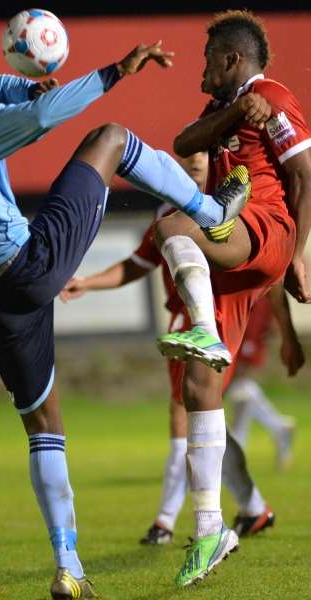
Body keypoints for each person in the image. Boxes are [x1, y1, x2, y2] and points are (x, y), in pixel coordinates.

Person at [0, 24, 250, 600]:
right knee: (112, 137)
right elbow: (42, 121)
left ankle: (69, 566)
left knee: (43, 428)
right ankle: (210, 207)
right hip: (28, 265)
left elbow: (3, 93)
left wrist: (26, 85)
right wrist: (115, 71)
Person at [60, 151, 304, 545]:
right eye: (185, 154)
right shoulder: (168, 213)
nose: (193, 160)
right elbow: (139, 263)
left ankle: (165, 522)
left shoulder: (231, 209)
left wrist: (287, 335)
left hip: (213, 326)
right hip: (186, 326)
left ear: (217, 161)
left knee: (184, 420)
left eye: (202, 154)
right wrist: (87, 282)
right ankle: (254, 507)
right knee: (207, 424)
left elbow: (271, 274)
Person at [150, 9, 311, 586]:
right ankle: (213, 526)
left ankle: (228, 209)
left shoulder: (272, 94)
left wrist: (296, 252)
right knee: (200, 383)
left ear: (231, 60)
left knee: (173, 227)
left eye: (207, 57)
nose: (201, 66)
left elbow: (305, 174)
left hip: (266, 223)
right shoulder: (226, 109)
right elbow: (182, 141)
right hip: (237, 257)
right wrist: (233, 116)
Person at [227, 288, 304, 470]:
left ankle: (239, 449)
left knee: (239, 385)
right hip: (243, 324)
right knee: (240, 390)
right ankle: (277, 428)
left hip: (248, 326)